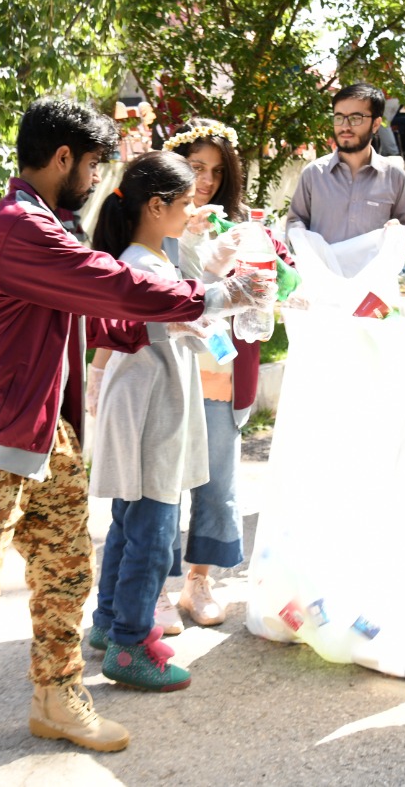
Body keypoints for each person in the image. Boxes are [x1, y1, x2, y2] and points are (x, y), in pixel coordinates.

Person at [0, 97, 272, 784]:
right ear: (62, 159)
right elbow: (106, 282)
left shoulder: (49, 223)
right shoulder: (18, 227)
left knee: (66, 571)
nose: (96, 179)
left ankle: (57, 693)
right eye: (91, 164)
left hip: (48, 429)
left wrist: (153, 325)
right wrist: (216, 297)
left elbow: (88, 313)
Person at [86, 152, 217, 691]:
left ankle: (109, 623)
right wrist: (224, 297)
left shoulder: (150, 258)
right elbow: (180, 313)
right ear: (157, 205)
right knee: (153, 527)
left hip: (151, 398)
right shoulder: (141, 267)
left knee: (130, 519)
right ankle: (132, 644)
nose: (192, 212)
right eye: (185, 204)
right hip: (149, 407)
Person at [164, 119, 297, 628]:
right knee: (159, 486)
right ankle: (154, 586)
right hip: (168, 370)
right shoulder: (153, 219)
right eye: (196, 167)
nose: (206, 181)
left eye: (217, 171)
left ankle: (200, 581)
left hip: (222, 369)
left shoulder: (240, 224)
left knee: (218, 481)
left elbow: (281, 278)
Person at [286, 82, 405, 245]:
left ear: (375, 124)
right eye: (339, 118)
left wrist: (398, 232)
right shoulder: (313, 174)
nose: (345, 127)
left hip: (373, 271)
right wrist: (298, 232)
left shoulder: (394, 177)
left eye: (355, 118)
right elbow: (295, 221)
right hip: (321, 270)